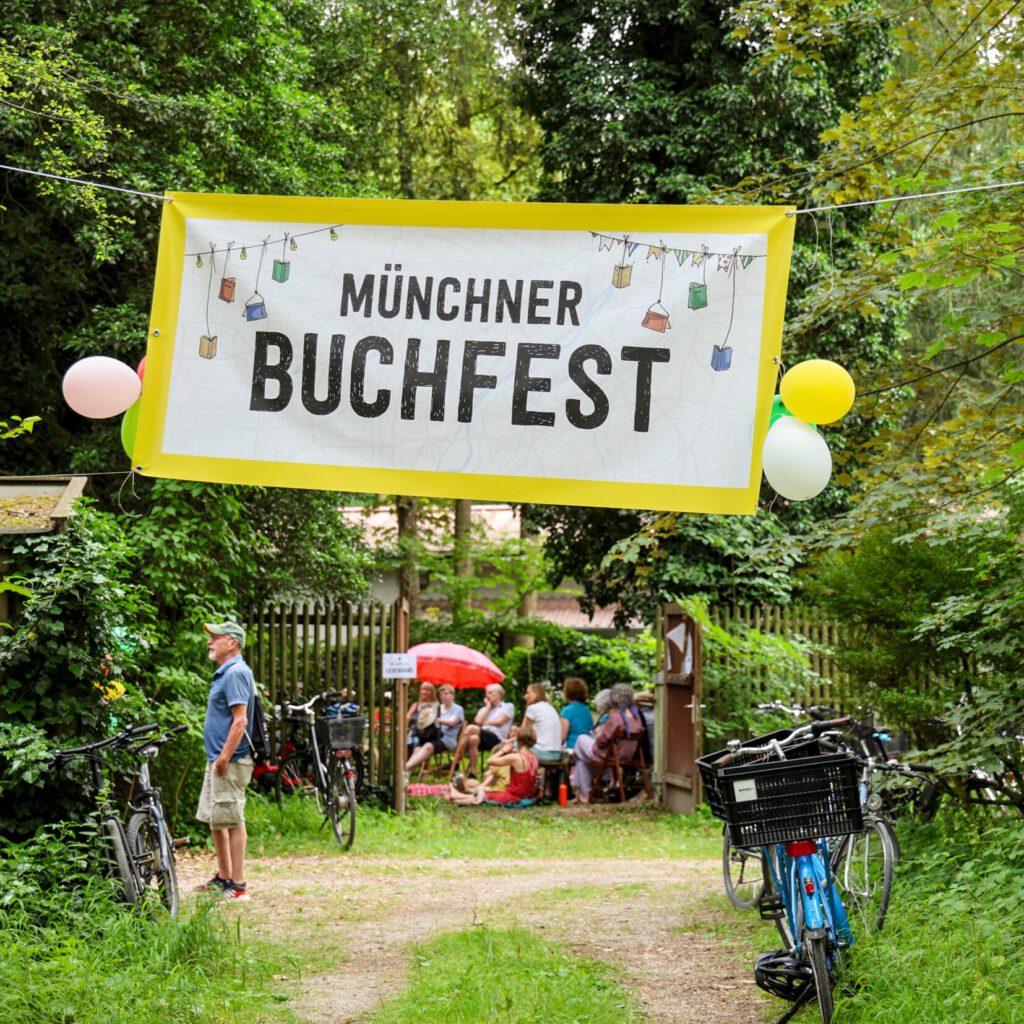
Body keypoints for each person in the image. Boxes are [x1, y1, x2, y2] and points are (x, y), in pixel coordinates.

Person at [194, 620, 256, 901]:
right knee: (217, 819)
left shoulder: (236, 673)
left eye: (215, 637)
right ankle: (223, 877)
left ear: (232, 643)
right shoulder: (225, 673)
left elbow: (240, 720)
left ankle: (238, 884)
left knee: (232, 818)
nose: (210, 641)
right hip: (218, 759)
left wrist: (224, 757)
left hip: (228, 761)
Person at [571, 683, 644, 804]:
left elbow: (601, 742)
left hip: (610, 755)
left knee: (580, 740)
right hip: (627, 755)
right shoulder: (637, 717)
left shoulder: (616, 717)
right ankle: (585, 794)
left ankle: (584, 792)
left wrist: (597, 737)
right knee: (582, 759)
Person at [447, 719, 538, 804]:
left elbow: (490, 761)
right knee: (481, 792)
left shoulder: (516, 757)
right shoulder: (534, 757)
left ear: (519, 740)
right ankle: (459, 794)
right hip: (527, 795)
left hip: (513, 796)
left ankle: (457, 795)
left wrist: (503, 751)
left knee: (482, 795)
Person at [405, 682, 464, 774]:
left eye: (446, 693)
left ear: (452, 695)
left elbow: (452, 723)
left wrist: (435, 719)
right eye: (441, 694)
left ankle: (404, 768)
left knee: (428, 746)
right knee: (417, 749)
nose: (443, 696)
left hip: (447, 740)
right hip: (435, 737)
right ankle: (406, 775)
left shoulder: (458, 709)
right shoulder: (438, 707)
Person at [461, 682, 514, 777]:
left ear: (498, 694)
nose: (487, 695)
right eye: (486, 693)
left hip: (497, 739)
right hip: (483, 737)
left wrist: (483, 723)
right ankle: (473, 773)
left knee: (470, 728)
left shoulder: (508, 706)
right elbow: (477, 720)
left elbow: (499, 722)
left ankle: (456, 760)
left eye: (490, 693)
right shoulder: (484, 709)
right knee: (473, 738)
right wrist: (488, 707)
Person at [523, 682, 563, 764]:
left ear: (536, 694)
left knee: (513, 745)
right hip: (557, 754)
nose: (525, 696)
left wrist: (528, 706)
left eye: (528, 693)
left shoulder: (533, 708)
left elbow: (522, 733)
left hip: (543, 753)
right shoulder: (550, 707)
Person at [559, 677, 593, 750]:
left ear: (567, 692)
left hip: (573, 749)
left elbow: (562, 737)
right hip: (587, 748)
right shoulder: (586, 710)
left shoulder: (567, 711)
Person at [406, 682, 440, 756]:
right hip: (412, 734)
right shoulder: (415, 705)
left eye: (428, 690)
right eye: (423, 689)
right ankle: (405, 765)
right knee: (403, 742)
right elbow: (406, 722)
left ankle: (409, 765)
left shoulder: (435, 706)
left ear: (432, 693)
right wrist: (409, 715)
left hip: (427, 736)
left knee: (413, 742)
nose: (424, 692)